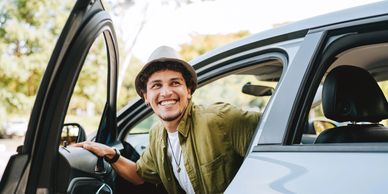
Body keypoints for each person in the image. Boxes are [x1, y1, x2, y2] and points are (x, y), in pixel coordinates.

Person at [74, 46, 260, 194]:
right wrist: (109, 153)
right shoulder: (157, 134)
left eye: (175, 83)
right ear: (146, 97)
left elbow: (278, 133)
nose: (166, 92)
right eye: (156, 85)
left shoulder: (221, 119)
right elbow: (139, 175)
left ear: (188, 91)